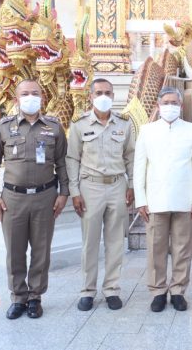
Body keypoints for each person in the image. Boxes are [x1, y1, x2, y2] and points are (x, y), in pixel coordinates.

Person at [0, 79, 69, 319]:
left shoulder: (53, 127)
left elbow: (62, 162)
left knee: (41, 250)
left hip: (45, 197)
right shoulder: (3, 127)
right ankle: (18, 297)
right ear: (16, 99)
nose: (30, 97)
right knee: (15, 250)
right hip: (13, 199)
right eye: (25, 94)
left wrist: (64, 193)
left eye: (35, 93)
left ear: (42, 97)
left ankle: (35, 297)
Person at [134, 87, 192, 312]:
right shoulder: (147, 131)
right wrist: (140, 199)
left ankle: (178, 290)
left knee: (183, 248)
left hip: (184, 199)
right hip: (155, 200)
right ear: (158, 105)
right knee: (156, 247)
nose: (170, 106)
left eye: (174, 102)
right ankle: (157, 291)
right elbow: (139, 167)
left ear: (181, 106)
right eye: (166, 102)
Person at [66, 78, 135, 311]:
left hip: (117, 185)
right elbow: (72, 159)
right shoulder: (79, 124)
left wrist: (132, 185)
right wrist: (74, 191)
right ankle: (87, 290)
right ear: (90, 97)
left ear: (114, 95)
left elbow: (130, 157)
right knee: (90, 243)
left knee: (116, 242)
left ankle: (112, 289)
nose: (103, 96)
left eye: (107, 92)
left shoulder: (124, 124)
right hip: (90, 187)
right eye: (99, 92)